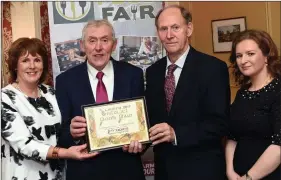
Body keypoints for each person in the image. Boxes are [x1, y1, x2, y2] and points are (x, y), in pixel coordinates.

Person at [145, 5, 230, 180]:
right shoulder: (153, 72)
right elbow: (150, 118)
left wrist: (176, 134)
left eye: (175, 27)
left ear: (188, 29)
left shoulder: (213, 68)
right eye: (163, 29)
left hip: (201, 170)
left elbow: (219, 124)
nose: (169, 35)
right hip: (164, 170)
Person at [55, 20, 146, 180]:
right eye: (92, 40)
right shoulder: (65, 81)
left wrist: (141, 143)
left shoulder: (133, 75)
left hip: (126, 170)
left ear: (114, 44)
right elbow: (60, 135)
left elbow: (145, 124)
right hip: (84, 172)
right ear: (82, 45)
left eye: (105, 40)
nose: (98, 47)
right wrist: (72, 133)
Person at [1, 37, 96, 180]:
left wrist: (74, 132)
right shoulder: (5, 98)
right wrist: (66, 153)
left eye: (37, 60)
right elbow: (24, 145)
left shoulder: (50, 93)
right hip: (23, 175)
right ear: (15, 66)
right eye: (25, 60)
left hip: (57, 174)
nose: (32, 66)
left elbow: (62, 131)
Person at [226, 30, 281, 180]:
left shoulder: (278, 90)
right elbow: (232, 137)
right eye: (239, 56)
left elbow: (279, 146)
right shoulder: (242, 93)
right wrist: (230, 171)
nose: (243, 61)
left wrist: (248, 178)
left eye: (250, 54)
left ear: (266, 56)